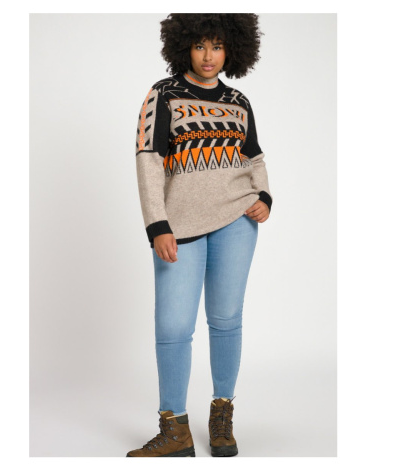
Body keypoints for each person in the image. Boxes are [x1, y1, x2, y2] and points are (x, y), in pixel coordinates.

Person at [127, 13, 273, 458]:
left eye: (217, 46)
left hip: (237, 220)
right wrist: (157, 224)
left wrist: (265, 196)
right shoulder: (164, 95)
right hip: (180, 225)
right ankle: (174, 429)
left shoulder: (238, 101)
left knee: (226, 319)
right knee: (173, 326)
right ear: (184, 47)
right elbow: (148, 159)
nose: (208, 56)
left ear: (232, 49)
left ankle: (221, 417)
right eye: (199, 46)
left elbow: (254, 157)